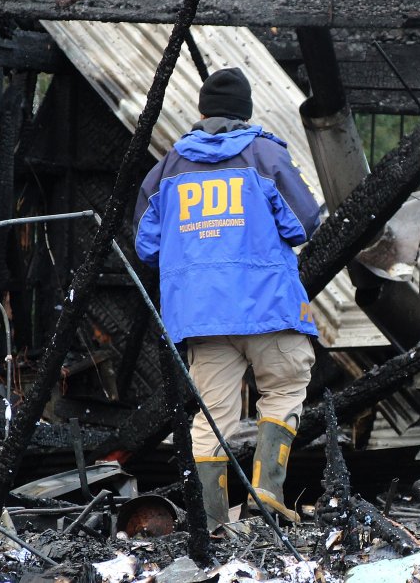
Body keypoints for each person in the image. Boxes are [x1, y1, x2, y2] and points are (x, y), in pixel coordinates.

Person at [134, 67, 321, 530]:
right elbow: (304, 222)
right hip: (268, 309)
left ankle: (213, 522)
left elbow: (146, 245)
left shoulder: (168, 168)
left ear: (202, 113)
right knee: (284, 388)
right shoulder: (264, 154)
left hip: (202, 317)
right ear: (245, 112)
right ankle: (267, 494)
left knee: (213, 416)